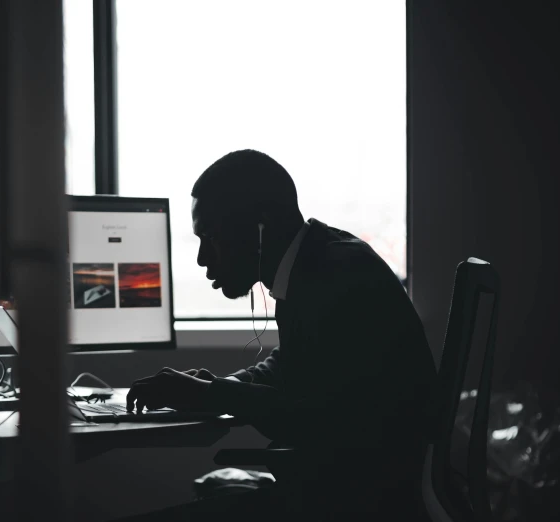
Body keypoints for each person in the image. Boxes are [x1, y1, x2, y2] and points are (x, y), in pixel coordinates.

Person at [124, 149, 438, 519]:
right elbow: (294, 366)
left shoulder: (333, 279)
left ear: (261, 225)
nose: (202, 258)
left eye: (210, 235)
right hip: (350, 493)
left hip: (355, 505)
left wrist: (213, 394)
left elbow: (319, 418)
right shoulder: (323, 260)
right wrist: (217, 385)